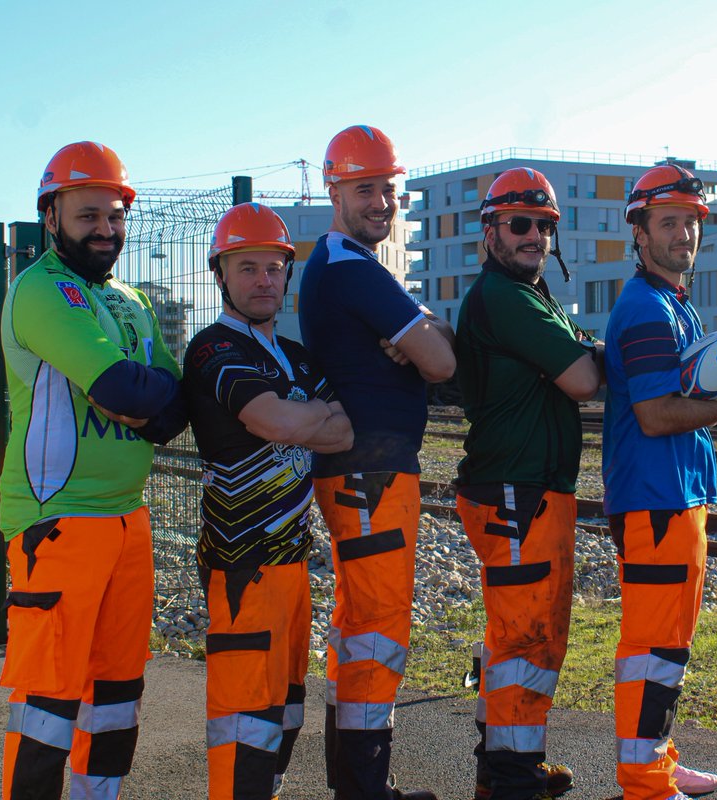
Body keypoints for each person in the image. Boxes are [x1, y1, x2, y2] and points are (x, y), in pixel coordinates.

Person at [0, 141, 185, 799]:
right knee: (48, 699)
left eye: (114, 215)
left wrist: (145, 399)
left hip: (127, 519)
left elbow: (173, 405)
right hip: (58, 521)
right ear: (51, 216)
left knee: (116, 692)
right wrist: (138, 395)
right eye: (88, 216)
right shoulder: (41, 289)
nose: (105, 229)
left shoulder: (128, 299)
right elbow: (125, 389)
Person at [298, 125, 455, 800]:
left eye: (388, 189)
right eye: (365, 189)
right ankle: (364, 790)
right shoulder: (352, 269)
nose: (381, 202)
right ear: (333, 191)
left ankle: (358, 784)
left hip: (367, 473)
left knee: (360, 624)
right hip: (371, 476)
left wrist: (422, 329)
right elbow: (442, 361)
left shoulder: (349, 266)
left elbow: (435, 341)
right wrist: (422, 336)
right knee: (377, 627)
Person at [601, 163, 717, 800]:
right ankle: (644, 782)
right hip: (656, 501)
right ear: (639, 233)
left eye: (691, 222)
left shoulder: (674, 304)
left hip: (676, 498)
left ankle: (660, 761)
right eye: (667, 222)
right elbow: (655, 414)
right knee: (652, 646)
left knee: (670, 644)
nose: (683, 234)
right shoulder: (647, 309)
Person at [183, 203, 353, 799]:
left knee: (284, 709)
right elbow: (274, 420)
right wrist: (307, 416)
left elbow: (344, 433)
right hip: (241, 565)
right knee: (244, 717)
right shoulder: (211, 349)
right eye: (246, 267)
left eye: (273, 268)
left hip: (291, 565)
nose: (263, 280)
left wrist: (295, 419)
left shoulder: (297, 355)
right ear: (220, 274)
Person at [454, 166, 599, 800]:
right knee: (526, 638)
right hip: (517, 492)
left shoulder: (527, 294)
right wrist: (588, 355)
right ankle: (513, 778)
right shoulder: (507, 297)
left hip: (527, 490)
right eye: (520, 224)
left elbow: (573, 360)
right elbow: (583, 379)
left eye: (543, 225)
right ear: (490, 232)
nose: (534, 235)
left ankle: (506, 766)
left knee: (518, 634)